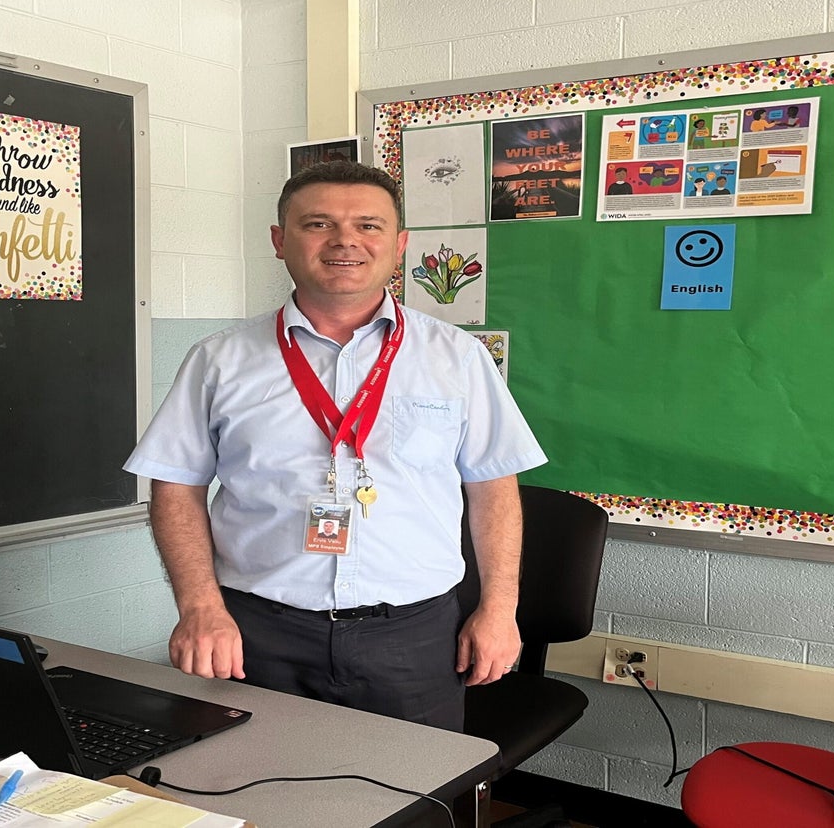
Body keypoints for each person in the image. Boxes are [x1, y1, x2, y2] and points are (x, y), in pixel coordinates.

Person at [125, 161, 547, 732]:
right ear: (280, 241)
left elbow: (493, 488)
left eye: (368, 226)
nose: (345, 240)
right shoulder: (219, 360)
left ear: (398, 245)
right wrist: (200, 608)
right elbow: (176, 485)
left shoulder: (458, 358)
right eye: (318, 224)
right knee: (255, 795)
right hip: (257, 632)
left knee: (417, 800)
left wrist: (499, 610)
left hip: (415, 637)